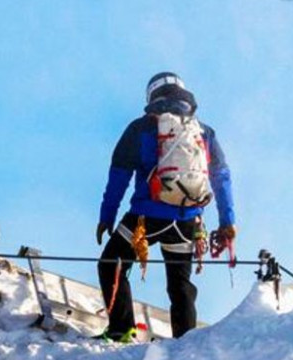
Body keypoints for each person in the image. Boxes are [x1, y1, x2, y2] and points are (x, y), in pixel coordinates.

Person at [96, 71, 235, 341]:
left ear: (152, 96)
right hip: (187, 222)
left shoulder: (141, 128)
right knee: (180, 285)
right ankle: (185, 343)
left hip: (145, 219)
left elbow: (118, 177)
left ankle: (121, 329)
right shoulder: (203, 131)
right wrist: (227, 221)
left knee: (111, 263)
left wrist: (106, 216)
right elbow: (222, 177)